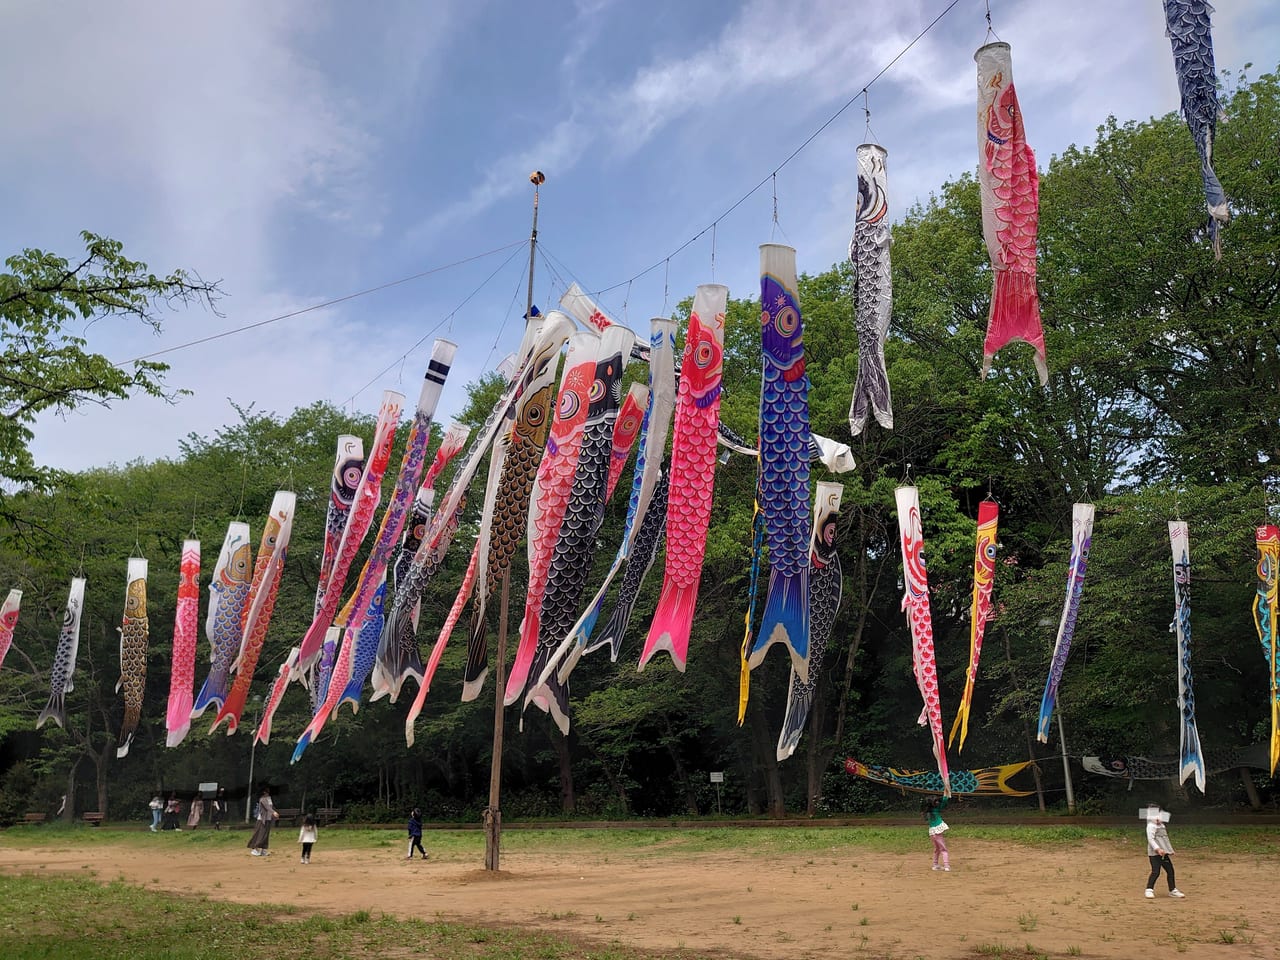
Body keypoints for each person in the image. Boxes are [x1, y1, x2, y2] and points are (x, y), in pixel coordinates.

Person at [1143, 805, 1185, 899]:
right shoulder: (1150, 826)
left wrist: (1169, 850)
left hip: (1163, 853)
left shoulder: (1162, 825)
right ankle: (1149, 890)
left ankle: (1172, 890)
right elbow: (1151, 839)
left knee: (1170, 871)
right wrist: (1157, 849)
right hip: (1154, 854)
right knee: (1155, 871)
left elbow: (1165, 839)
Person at [247, 786, 279, 857]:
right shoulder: (262, 799)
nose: (268, 792)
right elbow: (267, 807)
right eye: (267, 791)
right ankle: (255, 849)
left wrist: (274, 812)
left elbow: (271, 807)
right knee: (260, 835)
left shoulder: (269, 798)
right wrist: (274, 812)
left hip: (268, 819)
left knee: (266, 835)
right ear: (264, 792)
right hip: (262, 820)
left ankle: (264, 850)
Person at [923, 794, 950, 871]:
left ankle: (935, 865)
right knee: (944, 850)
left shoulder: (928, 812)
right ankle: (946, 866)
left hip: (932, 833)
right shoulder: (936, 810)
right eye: (936, 801)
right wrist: (946, 793)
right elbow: (944, 801)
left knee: (937, 849)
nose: (938, 802)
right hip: (937, 832)